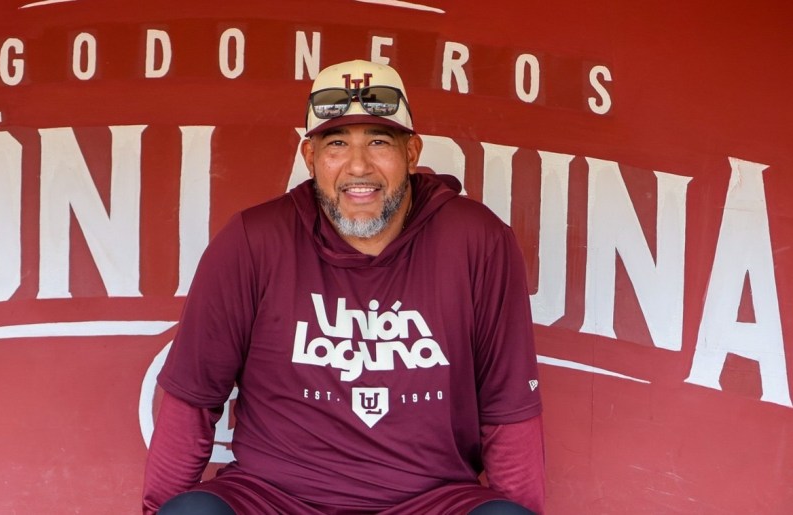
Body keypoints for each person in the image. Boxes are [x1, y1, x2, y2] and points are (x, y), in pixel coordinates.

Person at [142, 59, 545, 515]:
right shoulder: (254, 240)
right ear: (310, 157)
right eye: (336, 143)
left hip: (431, 501)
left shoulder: (477, 240)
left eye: (379, 141)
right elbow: (193, 399)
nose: (358, 166)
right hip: (274, 498)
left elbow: (509, 409)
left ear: (412, 152)